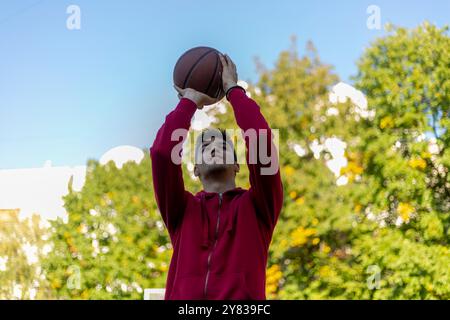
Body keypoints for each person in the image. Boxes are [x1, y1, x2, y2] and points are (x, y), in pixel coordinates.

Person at [150, 54, 283, 300]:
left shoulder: (258, 208)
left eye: (223, 143)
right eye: (205, 145)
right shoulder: (181, 210)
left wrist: (234, 90)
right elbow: (161, 154)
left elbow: (261, 142)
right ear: (196, 169)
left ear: (236, 166)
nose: (214, 145)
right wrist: (189, 101)